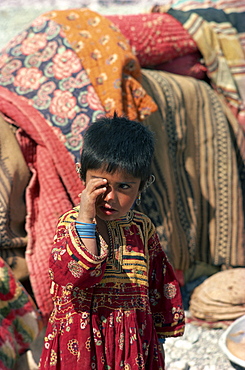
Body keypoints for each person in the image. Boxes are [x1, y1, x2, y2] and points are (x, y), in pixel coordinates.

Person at [39, 113, 185, 369]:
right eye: (101, 185)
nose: (110, 197)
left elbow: (159, 279)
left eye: (124, 187)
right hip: (80, 341)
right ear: (82, 176)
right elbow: (75, 276)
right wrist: (86, 217)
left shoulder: (142, 228)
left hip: (132, 341)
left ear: (143, 186)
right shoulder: (71, 223)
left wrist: (157, 335)